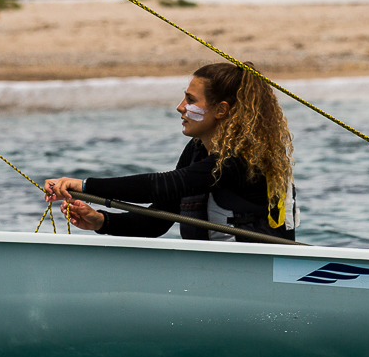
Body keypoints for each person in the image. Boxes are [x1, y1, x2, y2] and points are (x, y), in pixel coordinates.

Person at [43, 62, 298, 243]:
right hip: (213, 273)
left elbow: (160, 185)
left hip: (255, 273)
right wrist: (101, 221)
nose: (180, 107)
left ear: (221, 110)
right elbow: (157, 220)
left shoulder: (242, 160)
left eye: (190, 100)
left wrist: (86, 185)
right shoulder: (197, 151)